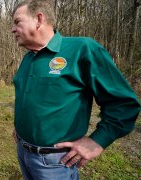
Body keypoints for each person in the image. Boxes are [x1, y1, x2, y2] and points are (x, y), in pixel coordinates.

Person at [11, 0, 141, 179]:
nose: (13, 29)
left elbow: (124, 104)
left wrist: (97, 141)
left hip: (55, 161)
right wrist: (21, 125)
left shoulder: (82, 49)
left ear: (39, 19)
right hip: (23, 151)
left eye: (17, 22)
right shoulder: (28, 58)